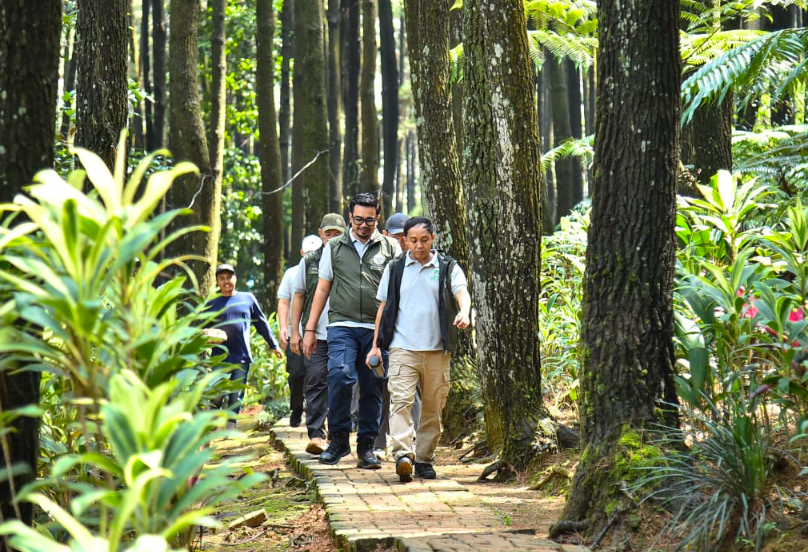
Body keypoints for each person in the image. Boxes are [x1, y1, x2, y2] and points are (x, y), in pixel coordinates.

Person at [367, 217, 471, 482]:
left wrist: (465, 311)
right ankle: (403, 455)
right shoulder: (396, 268)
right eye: (413, 240)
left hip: (437, 350)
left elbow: (462, 291)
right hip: (403, 348)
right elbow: (382, 308)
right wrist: (376, 346)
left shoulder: (447, 266)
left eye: (424, 240)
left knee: (433, 409)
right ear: (405, 240)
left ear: (433, 239)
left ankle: (424, 458)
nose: (419, 245)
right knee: (400, 402)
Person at [302, 193, 400, 468]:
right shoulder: (334, 246)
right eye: (358, 219)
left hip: (376, 328)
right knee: (340, 376)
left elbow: (398, 290)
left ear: (377, 218)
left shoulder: (390, 248)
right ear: (350, 218)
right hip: (341, 324)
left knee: (372, 386)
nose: (364, 225)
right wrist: (310, 329)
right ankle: (339, 440)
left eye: (369, 220)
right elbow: (323, 287)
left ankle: (366, 447)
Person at [290, 213, 347, 454]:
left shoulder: (351, 258)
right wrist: (295, 331)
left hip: (343, 330)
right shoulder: (310, 261)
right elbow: (299, 295)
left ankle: (337, 435)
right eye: (328, 234)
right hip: (315, 333)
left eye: (337, 234)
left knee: (340, 381)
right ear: (321, 233)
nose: (332, 238)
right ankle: (315, 434)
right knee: (314, 381)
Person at [206, 263, 284, 429]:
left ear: (235, 278)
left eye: (229, 277)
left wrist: (274, 344)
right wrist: (207, 335)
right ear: (217, 282)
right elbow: (200, 327)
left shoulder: (247, 298)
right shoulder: (212, 304)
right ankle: (211, 425)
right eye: (222, 278)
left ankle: (230, 428)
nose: (226, 281)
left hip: (241, 355)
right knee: (216, 393)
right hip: (219, 356)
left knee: (236, 395)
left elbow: (262, 323)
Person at [375, 212, 422, 458]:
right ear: (386, 235)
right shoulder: (384, 262)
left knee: (411, 392)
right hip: (385, 334)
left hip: (417, 339)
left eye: (406, 237)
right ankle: (380, 440)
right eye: (398, 236)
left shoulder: (421, 260)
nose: (403, 242)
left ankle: (411, 443)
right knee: (384, 388)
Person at [277, 235, 323, 427]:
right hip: (296, 331)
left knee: (317, 376)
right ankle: (297, 407)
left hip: (320, 332)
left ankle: (317, 417)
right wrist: (284, 329)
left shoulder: (326, 271)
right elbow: (284, 301)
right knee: (296, 373)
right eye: (307, 252)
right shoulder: (292, 273)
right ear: (301, 253)